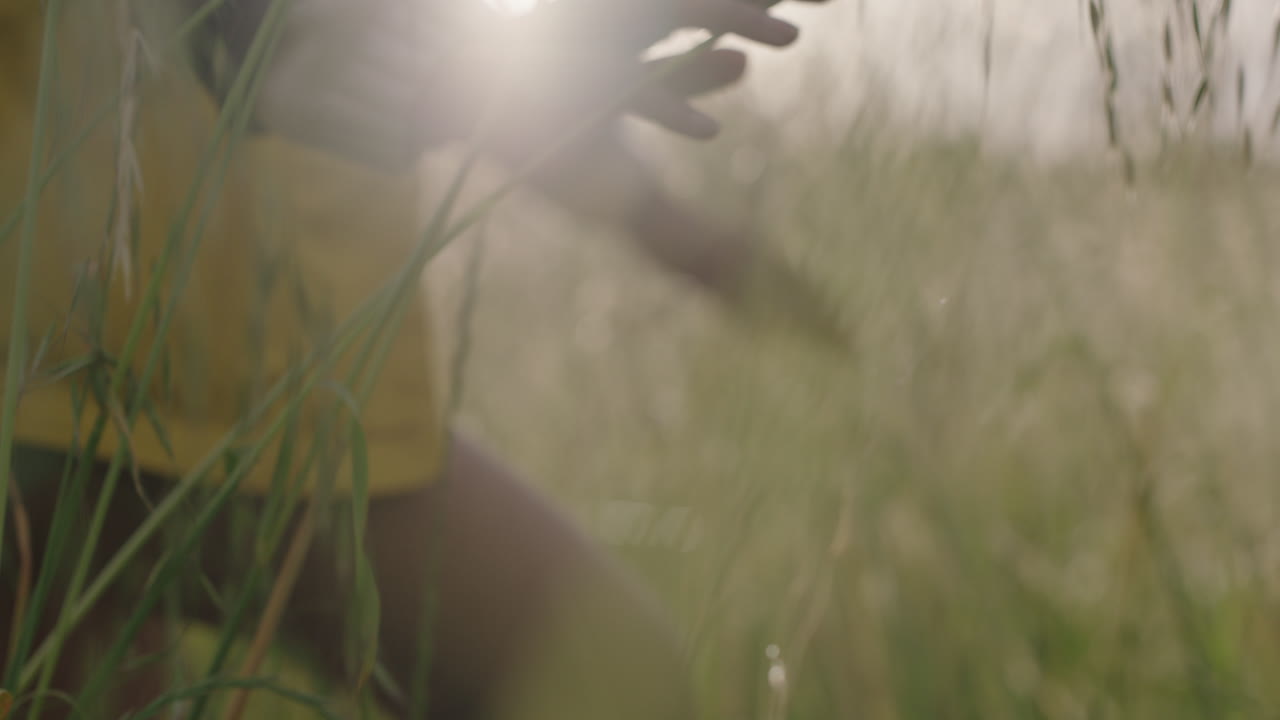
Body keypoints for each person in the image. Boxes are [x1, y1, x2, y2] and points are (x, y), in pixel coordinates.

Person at [0, 0, 825, 717]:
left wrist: (668, 228)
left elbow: (436, 62)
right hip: (50, 371)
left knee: (618, 681)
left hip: (311, 382)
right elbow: (228, 31)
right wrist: (452, 67)